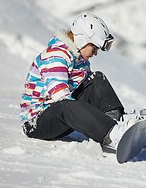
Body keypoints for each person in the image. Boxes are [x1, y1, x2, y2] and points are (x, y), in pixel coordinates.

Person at [20, 12, 135, 148]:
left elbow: (91, 92)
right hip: (37, 122)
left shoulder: (80, 59)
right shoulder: (56, 56)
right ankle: (111, 135)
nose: (95, 53)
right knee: (65, 104)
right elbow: (60, 98)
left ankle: (116, 121)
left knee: (96, 79)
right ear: (82, 40)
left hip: (60, 114)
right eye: (94, 48)